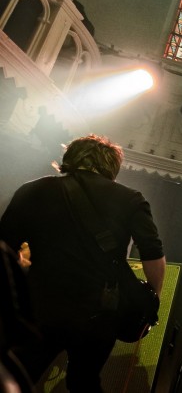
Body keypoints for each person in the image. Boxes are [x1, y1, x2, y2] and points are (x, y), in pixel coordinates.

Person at [0, 134, 165, 392]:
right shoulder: (131, 198)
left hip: (40, 304)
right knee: (84, 381)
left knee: (20, 373)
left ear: (71, 158)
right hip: (99, 310)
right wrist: (154, 295)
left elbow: (4, 246)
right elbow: (152, 253)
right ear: (111, 165)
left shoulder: (33, 189)